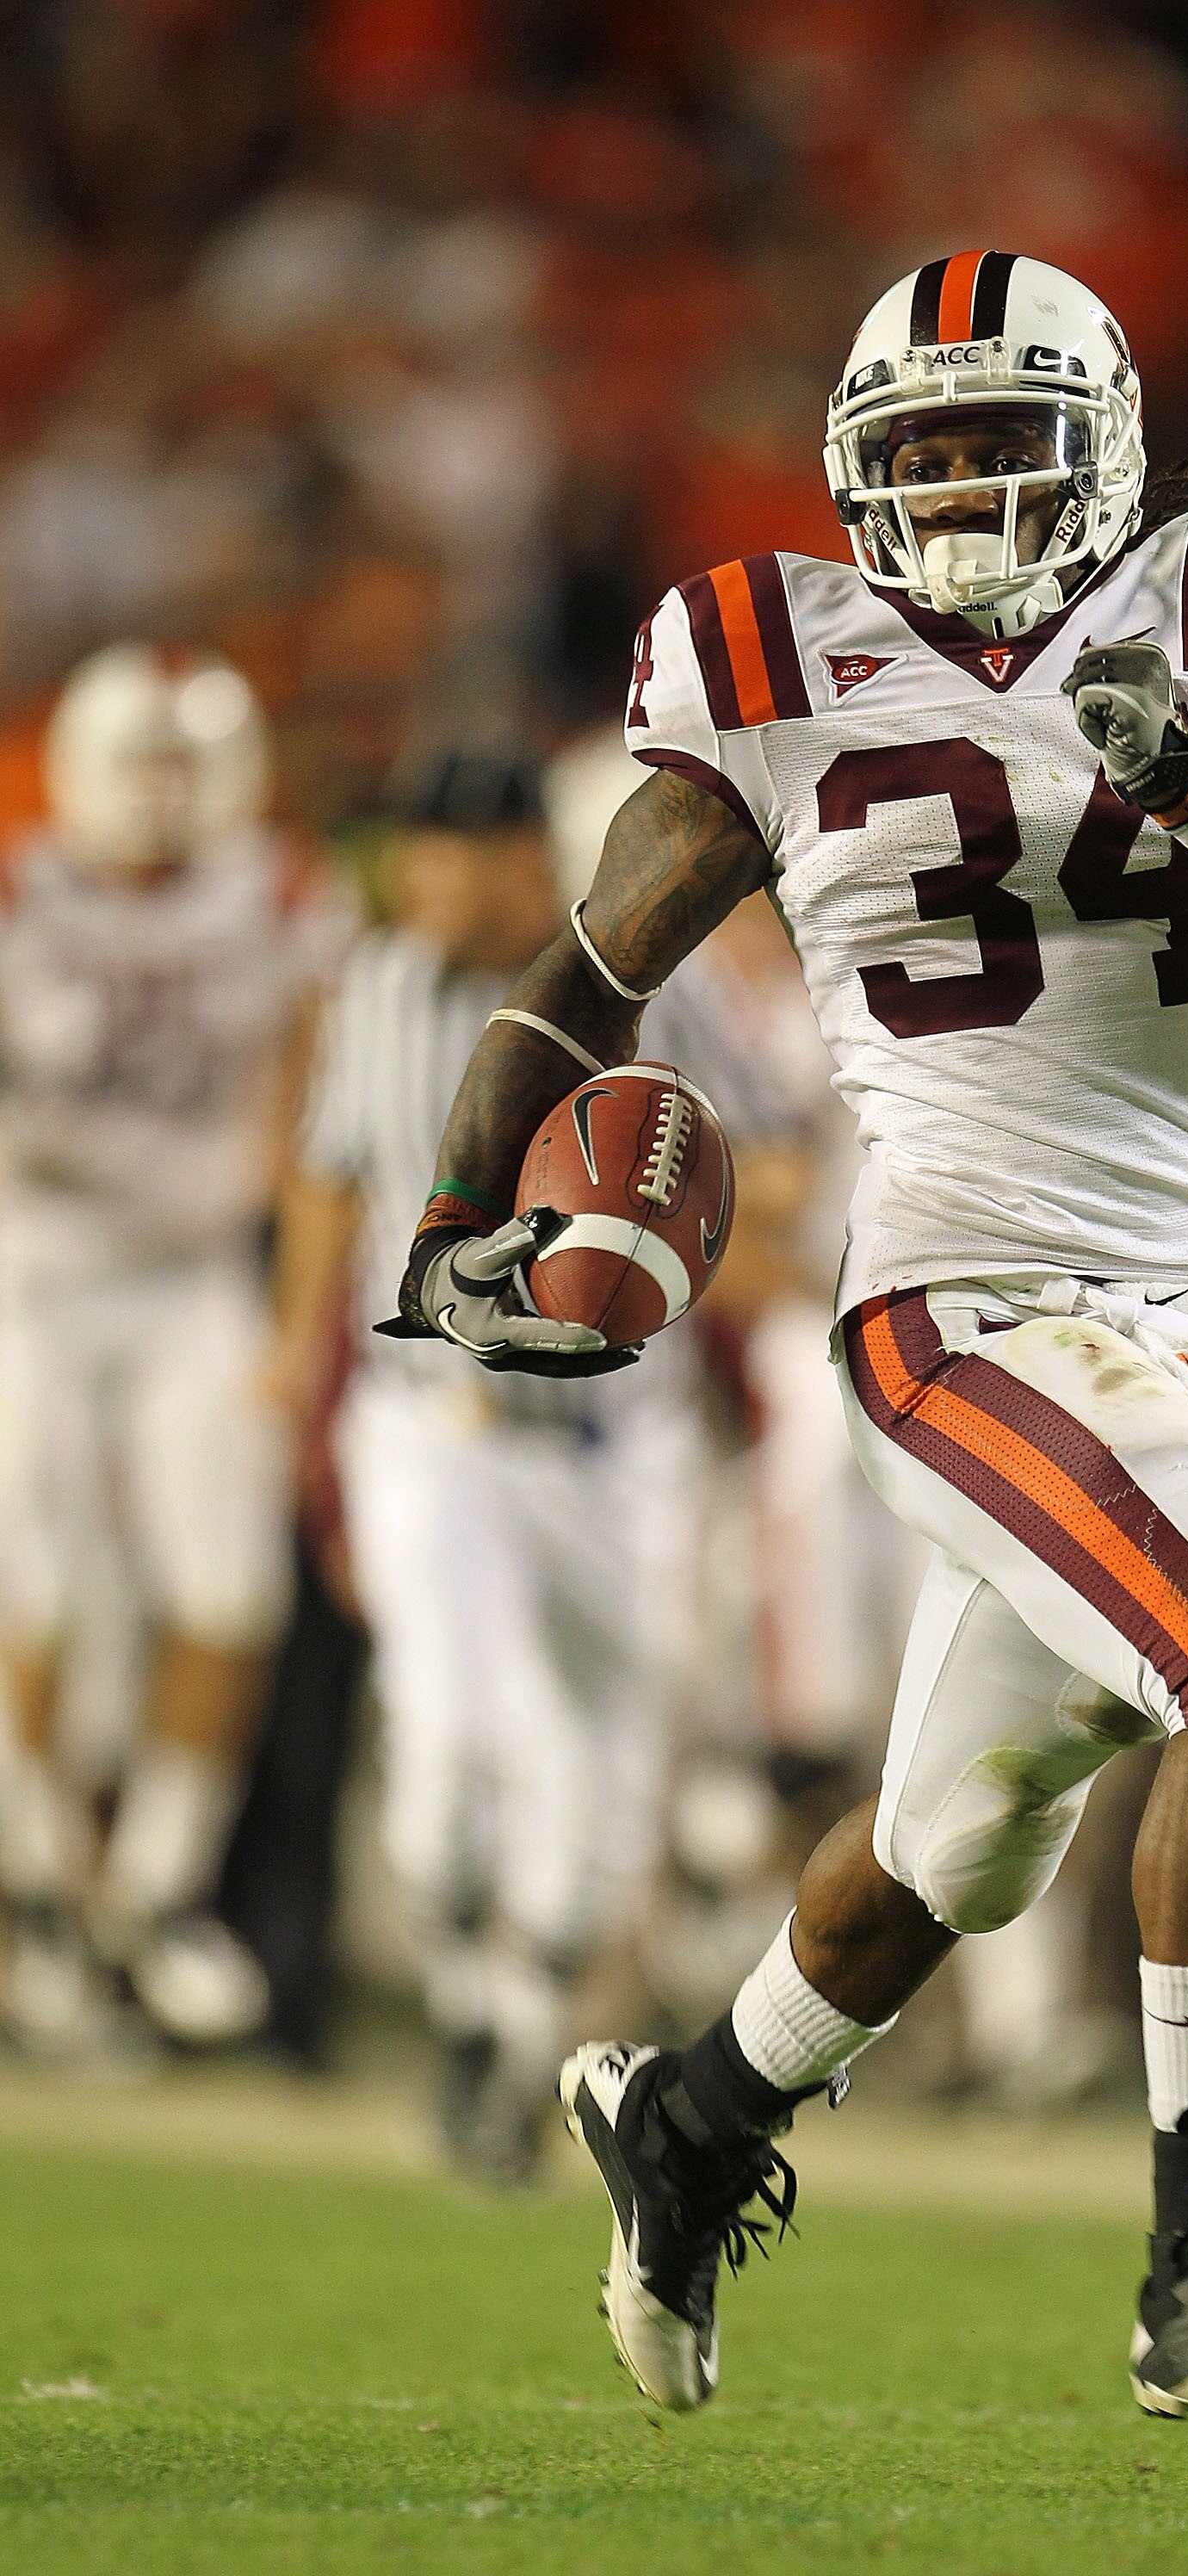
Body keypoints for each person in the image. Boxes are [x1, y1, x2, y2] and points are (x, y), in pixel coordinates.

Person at [387, 254, 1188, 2427]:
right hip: (960, 1298)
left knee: (948, 1850)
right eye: (928, 454)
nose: (965, 492)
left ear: (1109, 448)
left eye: (1002, 448)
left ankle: (689, 2123)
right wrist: (448, 1214)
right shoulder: (772, 656)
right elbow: (589, 974)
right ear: (861, 474)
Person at [275, 744, 714, 2181]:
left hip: (615, 1444)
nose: (443, 877)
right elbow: (334, 1189)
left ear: (538, 862)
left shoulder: (658, 986)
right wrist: (303, 1393)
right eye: (428, 847)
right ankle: (476, 2019)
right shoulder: (376, 990)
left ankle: (514, 2036)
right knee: (454, 1747)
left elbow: (763, 1161)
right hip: (434, 1425)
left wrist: (710, 1248)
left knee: (603, 1778)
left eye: (476, 848)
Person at [0, 646, 349, 2051]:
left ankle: (145, 1889)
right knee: (44, 1593)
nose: (157, 794)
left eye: (177, 764)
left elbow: (315, 1117)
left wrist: (296, 1321)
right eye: (134, 763)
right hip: (34, 1270)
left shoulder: (275, 895)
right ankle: (39, 1885)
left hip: (194, 1276)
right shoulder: (20, 895)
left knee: (230, 1590)